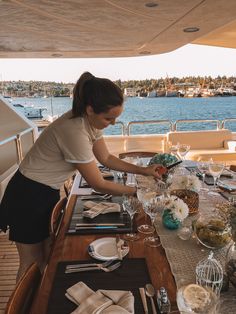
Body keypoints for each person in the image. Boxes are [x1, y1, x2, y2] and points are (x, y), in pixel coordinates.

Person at [0, 72, 165, 281]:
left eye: (116, 118)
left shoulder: (89, 123)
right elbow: (98, 184)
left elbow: (105, 158)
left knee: (46, 257)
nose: (113, 123)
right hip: (27, 196)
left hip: (44, 191)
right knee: (32, 262)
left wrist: (143, 171)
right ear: (90, 109)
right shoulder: (74, 130)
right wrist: (139, 191)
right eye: (108, 118)